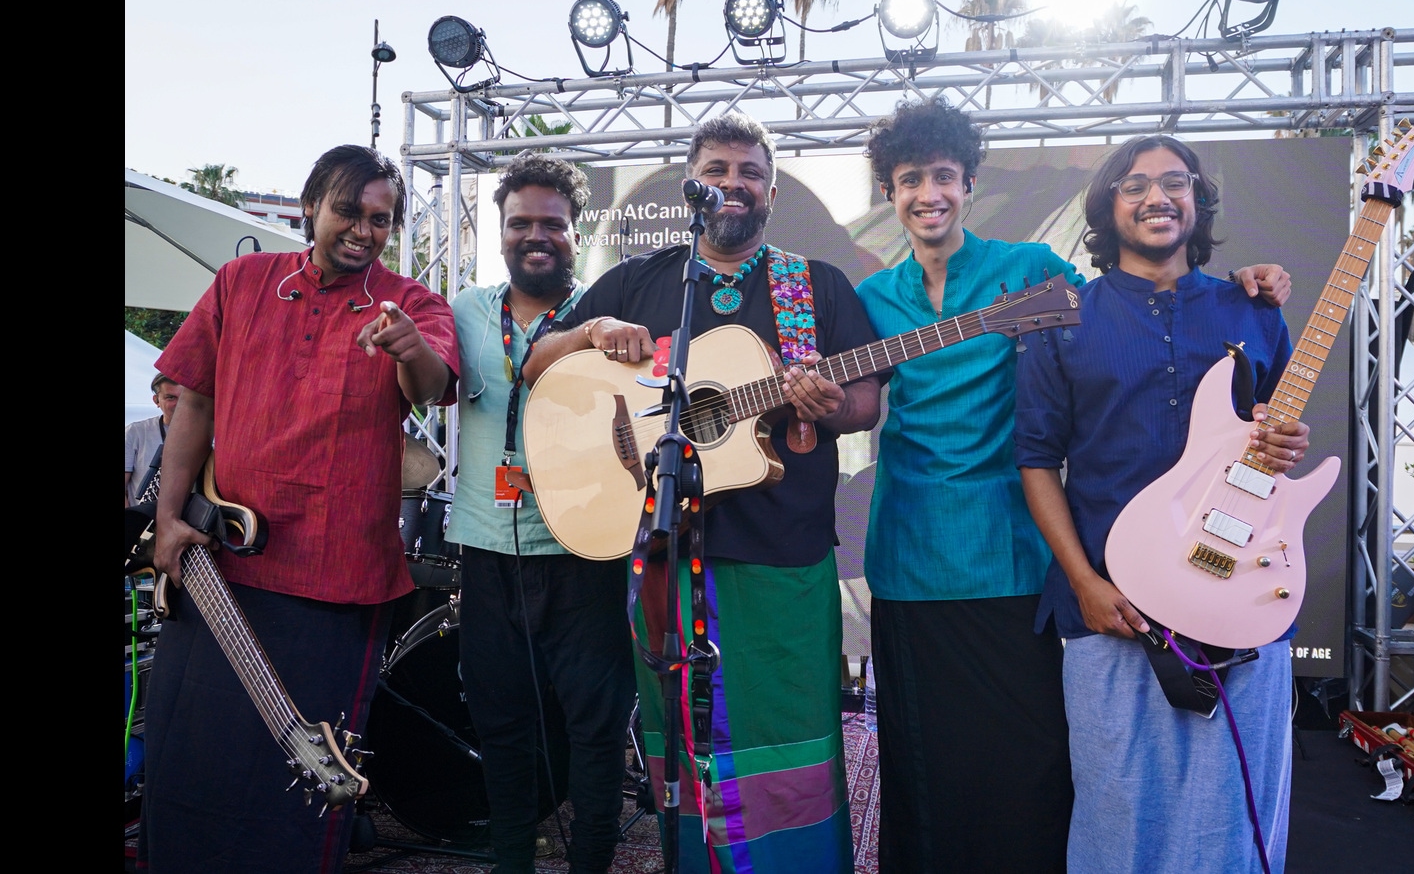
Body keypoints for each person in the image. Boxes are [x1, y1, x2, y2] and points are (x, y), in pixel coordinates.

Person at [854, 97, 1295, 873]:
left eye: (945, 176)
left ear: (968, 180)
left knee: (1040, 760)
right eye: (911, 179)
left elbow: (1145, 291)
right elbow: (856, 405)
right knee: (933, 758)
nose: (930, 193)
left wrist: (1248, 280)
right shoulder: (870, 300)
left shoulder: (1033, 275)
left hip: (1020, 555)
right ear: (889, 192)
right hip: (912, 550)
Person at [523, 112, 881, 874]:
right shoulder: (643, 281)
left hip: (782, 556)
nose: (733, 184)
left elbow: (866, 403)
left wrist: (826, 402)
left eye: (749, 172)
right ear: (693, 182)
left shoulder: (812, 286)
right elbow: (536, 364)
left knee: (785, 739)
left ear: (772, 191)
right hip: (663, 554)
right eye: (717, 169)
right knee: (681, 743)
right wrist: (590, 335)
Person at [141, 145, 458, 873]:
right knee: (191, 764)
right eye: (350, 210)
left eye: (381, 220)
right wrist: (167, 519)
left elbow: (431, 383)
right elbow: (194, 399)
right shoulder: (240, 282)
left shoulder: (410, 303)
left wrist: (409, 349)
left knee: (298, 790)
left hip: (334, 586)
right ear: (310, 203)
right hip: (218, 573)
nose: (364, 230)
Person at [1014, 135, 1309, 872]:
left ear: (1197, 201)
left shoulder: (1253, 308)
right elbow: (1036, 460)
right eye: (1134, 184)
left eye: (1174, 181)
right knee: (1120, 803)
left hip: (1242, 585)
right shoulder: (1063, 318)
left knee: (1237, 811)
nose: (1156, 196)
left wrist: (1287, 446)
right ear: (1107, 209)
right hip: (1112, 603)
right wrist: (1084, 583)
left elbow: (1273, 438)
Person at [446, 153, 635, 874]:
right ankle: (511, 863)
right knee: (501, 725)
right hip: (488, 549)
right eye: (520, 222)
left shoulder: (605, 313)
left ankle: (590, 863)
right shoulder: (465, 309)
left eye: (551, 224)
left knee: (594, 728)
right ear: (499, 231)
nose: (536, 235)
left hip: (585, 553)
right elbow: (427, 380)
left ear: (574, 232)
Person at [127, 374, 183, 505]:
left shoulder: (212, 435)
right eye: (171, 397)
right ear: (156, 400)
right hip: (144, 520)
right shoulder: (135, 432)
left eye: (185, 398)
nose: (179, 404)